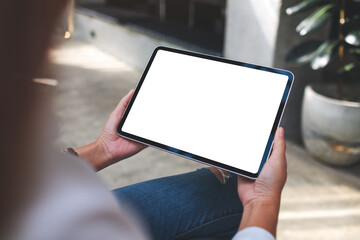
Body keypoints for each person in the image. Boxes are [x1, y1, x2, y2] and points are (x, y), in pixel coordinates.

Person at [0, 0, 287, 239]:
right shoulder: (77, 221)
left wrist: (103, 149)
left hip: (36, 193)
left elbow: (24, 170)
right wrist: (261, 203)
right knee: (231, 196)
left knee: (222, 188)